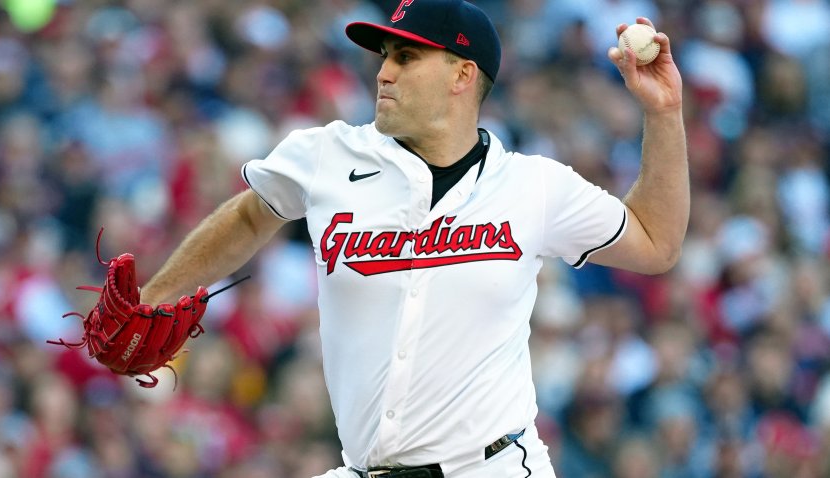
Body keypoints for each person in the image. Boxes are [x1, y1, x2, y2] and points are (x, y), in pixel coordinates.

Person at [140, 1, 688, 476]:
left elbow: (656, 242)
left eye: (406, 57)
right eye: (384, 57)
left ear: (462, 75)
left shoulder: (533, 186)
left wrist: (663, 113)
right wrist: (154, 298)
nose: (383, 73)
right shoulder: (327, 156)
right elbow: (248, 218)